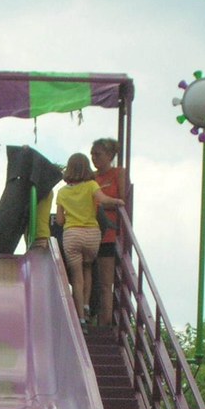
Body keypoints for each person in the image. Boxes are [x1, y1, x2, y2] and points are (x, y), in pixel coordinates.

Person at [54, 152, 125, 327]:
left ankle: (80, 317)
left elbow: (60, 221)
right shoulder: (92, 185)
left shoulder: (62, 193)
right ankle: (86, 305)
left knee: (76, 277)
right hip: (92, 235)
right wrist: (117, 201)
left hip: (72, 236)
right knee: (88, 268)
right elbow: (103, 200)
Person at [90, 138, 126, 330]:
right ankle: (89, 317)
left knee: (105, 282)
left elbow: (123, 199)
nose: (94, 158)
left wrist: (104, 203)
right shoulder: (91, 177)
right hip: (90, 232)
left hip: (109, 234)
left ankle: (105, 322)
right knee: (88, 279)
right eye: (92, 155)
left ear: (110, 156)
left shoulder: (118, 173)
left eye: (98, 154)